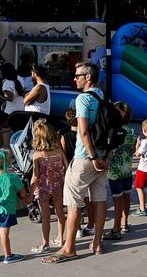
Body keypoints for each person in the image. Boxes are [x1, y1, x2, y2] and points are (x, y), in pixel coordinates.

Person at [44, 61, 110, 263]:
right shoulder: (103, 97)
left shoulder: (83, 99)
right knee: (99, 200)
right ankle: (97, 242)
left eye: (78, 75)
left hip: (85, 158)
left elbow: (82, 131)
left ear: (88, 77)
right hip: (102, 157)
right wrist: (102, 157)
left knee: (73, 204)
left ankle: (69, 247)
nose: (74, 78)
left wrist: (91, 156)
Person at [0, 149, 31, 264]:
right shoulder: (13, 177)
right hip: (7, 210)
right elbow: (23, 193)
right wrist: (27, 197)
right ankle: (8, 256)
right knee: (4, 233)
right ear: (9, 163)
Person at [29, 118, 67, 254]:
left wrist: (29, 193)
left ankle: (45, 244)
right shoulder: (59, 152)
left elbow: (35, 176)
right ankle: (61, 238)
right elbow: (66, 167)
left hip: (44, 188)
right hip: (58, 186)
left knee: (45, 216)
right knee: (60, 212)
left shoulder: (37, 155)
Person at [107, 101, 137, 239]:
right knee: (126, 196)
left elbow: (111, 152)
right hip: (127, 170)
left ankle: (116, 227)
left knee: (117, 200)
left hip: (115, 171)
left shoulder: (113, 132)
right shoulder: (131, 131)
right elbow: (132, 150)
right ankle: (125, 223)